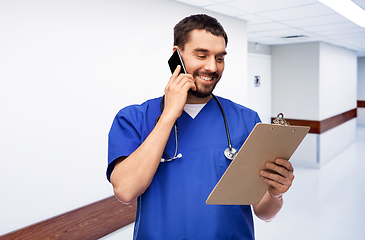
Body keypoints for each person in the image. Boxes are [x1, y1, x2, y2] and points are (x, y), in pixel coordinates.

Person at [107, 14, 294, 239]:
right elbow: (125, 191)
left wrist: (275, 195)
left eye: (220, 58)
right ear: (177, 55)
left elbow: (263, 212)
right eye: (201, 55)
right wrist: (168, 116)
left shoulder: (247, 120)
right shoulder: (134, 118)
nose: (212, 67)